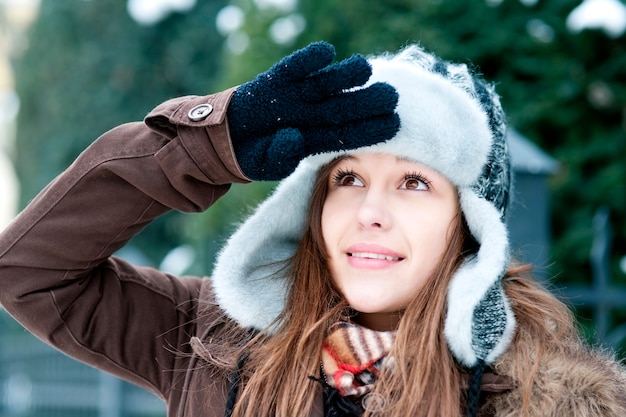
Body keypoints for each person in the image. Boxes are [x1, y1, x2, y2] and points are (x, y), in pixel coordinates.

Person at [0, 41, 624, 417]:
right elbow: (31, 271)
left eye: (415, 183)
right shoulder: (208, 343)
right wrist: (208, 146)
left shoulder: (536, 399)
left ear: (469, 228)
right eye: (347, 179)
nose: (369, 213)